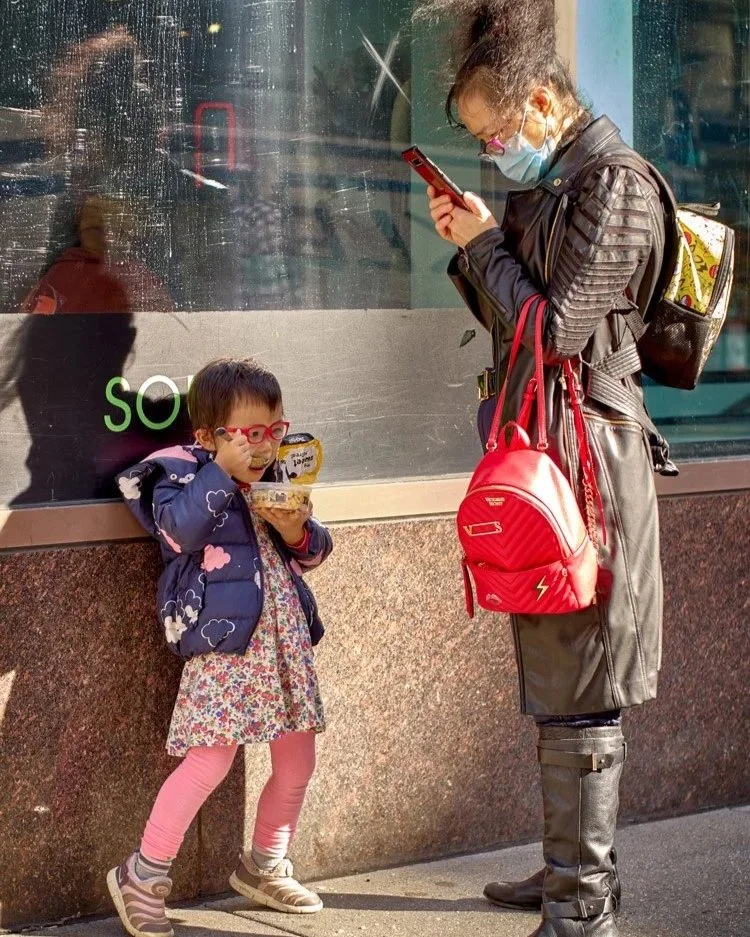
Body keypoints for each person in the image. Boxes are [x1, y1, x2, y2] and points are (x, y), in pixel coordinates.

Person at [416, 2, 668, 935]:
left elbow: (558, 330)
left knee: (584, 679)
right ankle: (568, 871)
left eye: (495, 133)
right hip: (548, 451)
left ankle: (583, 905)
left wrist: (482, 243)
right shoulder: (553, 186)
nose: (492, 152)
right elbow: (513, 321)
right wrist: (480, 236)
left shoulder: (618, 187)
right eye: (479, 141)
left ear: (539, 101)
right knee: (558, 677)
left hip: (593, 460)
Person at [108, 357, 332, 937]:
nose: (264, 446)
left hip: (283, 643)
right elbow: (175, 533)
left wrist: (294, 528)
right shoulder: (181, 471)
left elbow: (313, 551)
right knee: (210, 758)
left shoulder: (278, 474)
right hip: (225, 644)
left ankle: (264, 864)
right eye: (250, 434)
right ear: (209, 436)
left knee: (297, 759)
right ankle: (144, 873)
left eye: (274, 430)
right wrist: (223, 476)